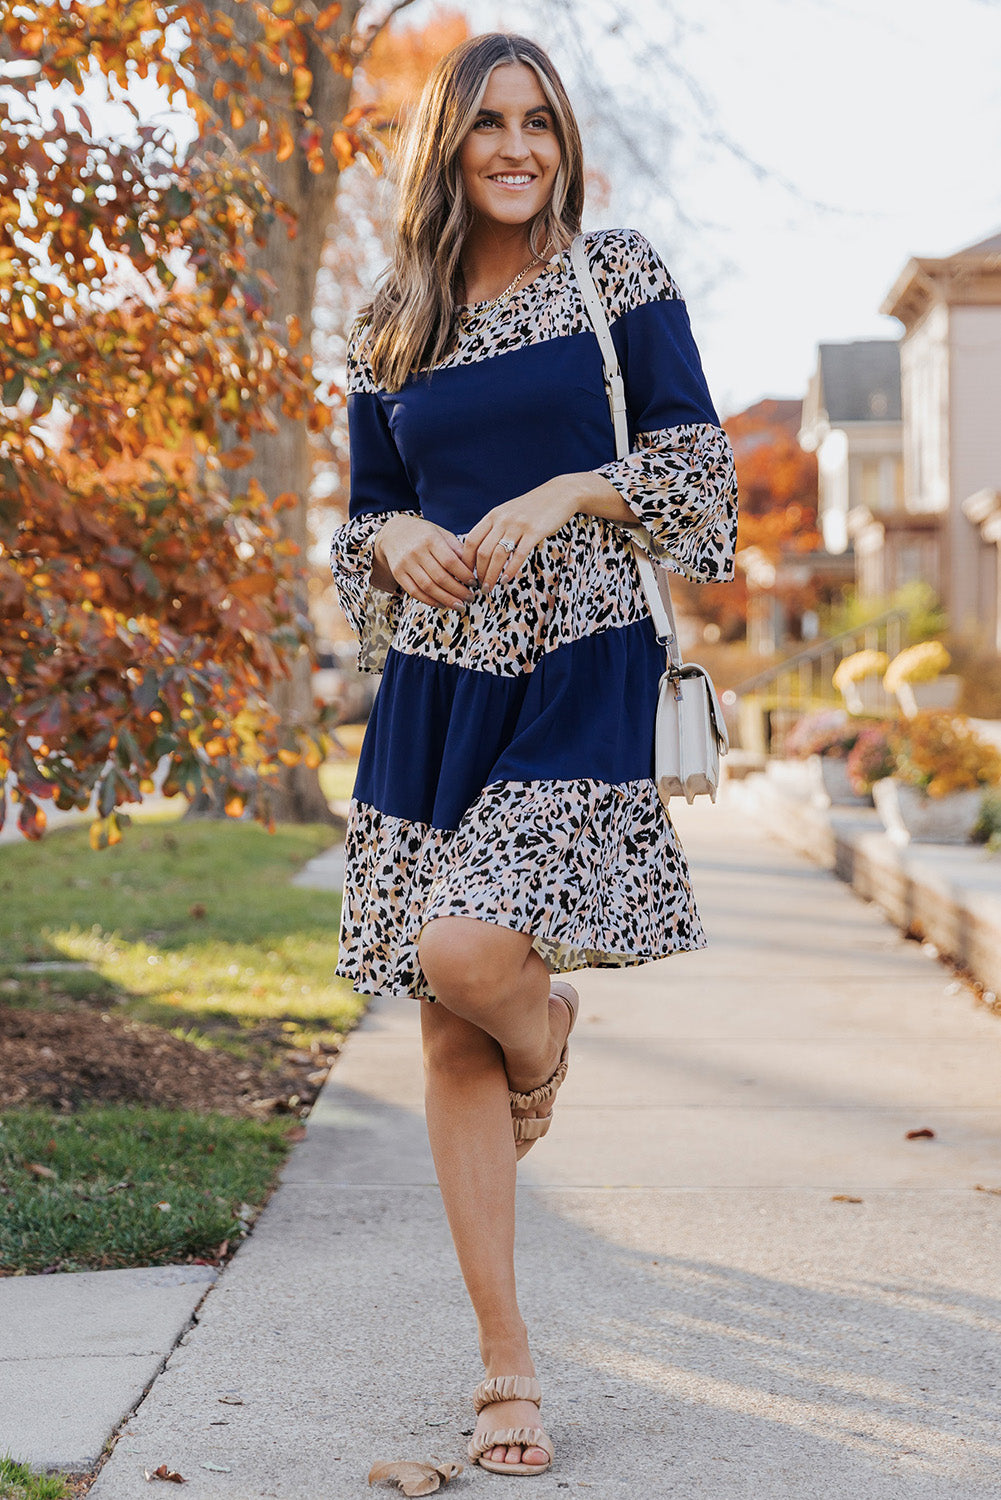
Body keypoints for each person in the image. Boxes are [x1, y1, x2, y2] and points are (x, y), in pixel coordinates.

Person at [329, 31, 737, 1477]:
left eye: (539, 126)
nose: (515, 147)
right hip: (439, 688)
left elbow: (697, 477)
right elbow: (358, 522)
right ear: (447, 144)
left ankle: (544, 1032)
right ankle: (507, 1371)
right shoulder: (394, 318)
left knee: (465, 957)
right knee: (446, 1025)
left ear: (561, 146)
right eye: (489, 123)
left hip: (579, 667)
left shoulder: (611, 275)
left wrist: (569, 490)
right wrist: (393, 535)